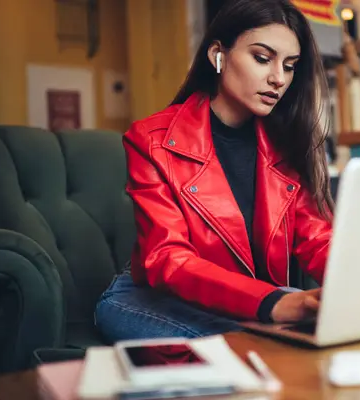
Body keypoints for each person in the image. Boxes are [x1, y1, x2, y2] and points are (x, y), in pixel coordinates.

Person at [94, 0, 334, 343]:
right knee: (272, 345)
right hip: (150, 300)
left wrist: (359, 284)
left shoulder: (288, 143)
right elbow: (167, 258)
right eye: (262, 58)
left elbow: (317, 239)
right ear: (218, 55)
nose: (278, 78)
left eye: (290, 66)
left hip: (256, 299)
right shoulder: (152, 140)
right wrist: (274, 302)